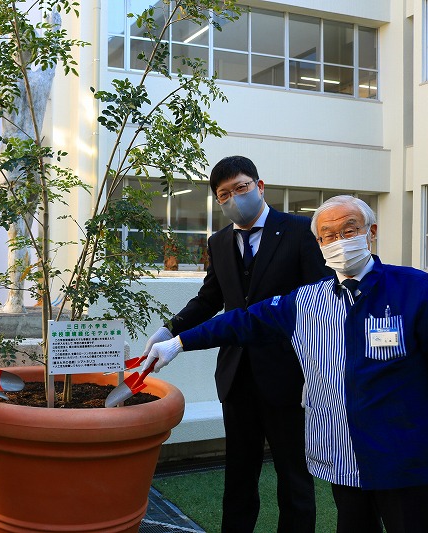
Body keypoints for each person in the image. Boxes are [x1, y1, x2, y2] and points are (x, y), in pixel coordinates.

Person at [144, 195, 428, 532]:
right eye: (328, 235)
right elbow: (241, 321)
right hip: (344, 458)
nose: (339, 241)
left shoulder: (415, 289)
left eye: (349, 230)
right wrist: (179, 342)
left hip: (406, 458)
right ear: (319, 243)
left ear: (371, 232)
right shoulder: (307, 300)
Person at [141, 156, 328, 532]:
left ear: (260, 186)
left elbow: (319, 302)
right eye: (223, 194)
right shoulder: (220, 241)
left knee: (294, 474)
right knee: (238, 475)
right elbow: (211, 299)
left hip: (291, 373)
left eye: (241, 188)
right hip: (236, 375)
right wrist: (168, 330)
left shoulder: (299, 231)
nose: (233, 198)